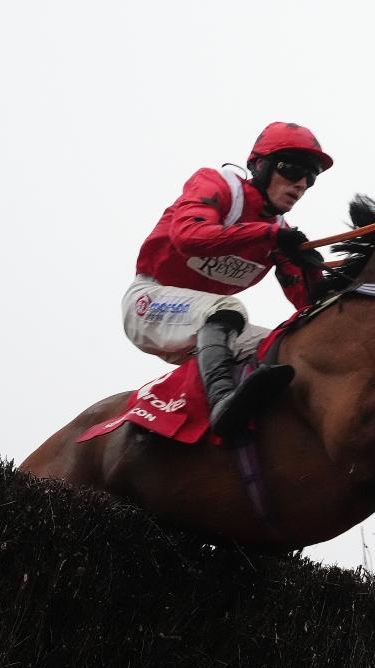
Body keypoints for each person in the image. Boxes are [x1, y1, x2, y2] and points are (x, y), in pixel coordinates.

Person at [122, 121, 332, 436]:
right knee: (228, 308)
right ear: (260, 166)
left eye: (311, 177)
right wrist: (269, 234)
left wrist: (313, 271)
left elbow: (308, 305)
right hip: (149, 303)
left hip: (204, 326)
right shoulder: (217, 184)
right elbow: (188, 236)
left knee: (286, 350)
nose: (301, 184)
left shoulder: (279, 233)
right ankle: (222, 402)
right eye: (291, 169)